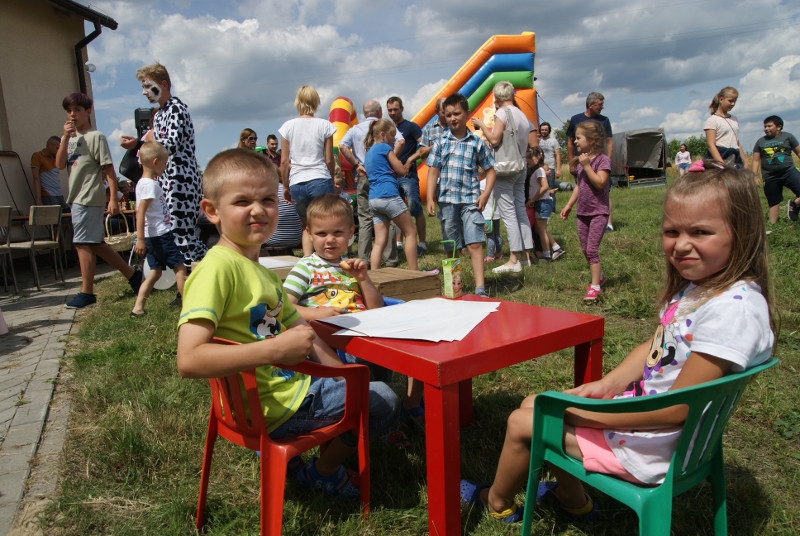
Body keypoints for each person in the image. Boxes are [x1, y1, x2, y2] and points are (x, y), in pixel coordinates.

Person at [459, 161, 775, 524]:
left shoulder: (734, 311)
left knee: (522, 421)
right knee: (539, 402)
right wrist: (607, 384)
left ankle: (497, 501)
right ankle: (573, 498)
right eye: (672, 231)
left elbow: (678, 410)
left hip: (656, 447)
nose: (682, 244)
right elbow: (656, 345)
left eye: (701, 232)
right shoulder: (705, 290)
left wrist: (587, 414)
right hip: (653, 427)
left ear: (743, 232)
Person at [176, 149, 399, 499]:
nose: (257, 209)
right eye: (242, 201)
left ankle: (299, 463)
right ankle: (322, 472)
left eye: (267, 199)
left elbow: (306, 334)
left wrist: (342, 376)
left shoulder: (260, 271)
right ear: (212, 211)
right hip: (274, 407)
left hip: (284, 394)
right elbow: (188, 360)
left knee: (365, 378)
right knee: (383, 398)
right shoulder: (216, 269)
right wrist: (274, 349)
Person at [55, 92, 143, 309]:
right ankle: (133, 276)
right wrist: (65, 137)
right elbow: (58, 165)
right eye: (69, 110)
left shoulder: (96, 137)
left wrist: (113, 198)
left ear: (88, 111)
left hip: (89, 197)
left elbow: (109, 170)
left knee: (82, 243)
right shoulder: (72, 139)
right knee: (95, 243)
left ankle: (87, 293)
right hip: (76, 198)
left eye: (77, 110)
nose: (73, 114)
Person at [121, 62, 207, 274]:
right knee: (177, 233)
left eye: (147, 86)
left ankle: (197, 276)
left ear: (163, 84)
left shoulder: (177, 109)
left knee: (183, 233)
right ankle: (192, 277)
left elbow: (171, 145)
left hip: (182, 180)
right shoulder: (159, 115)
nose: (144, 92)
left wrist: (139, 145)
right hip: (167, 180)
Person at [426, 93, 496, 298]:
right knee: (451, 244)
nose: (453, 118)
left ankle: (480, 289)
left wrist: (485, 194)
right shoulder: (440, 142)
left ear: (466, 113)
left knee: (474, 242)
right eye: (448, 115)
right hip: (447, 201)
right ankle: (452, 285)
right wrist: (430, 197)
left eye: (457, 113)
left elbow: (491, 170)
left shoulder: (476, 143)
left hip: (470, 200)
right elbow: (433, 171)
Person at [472, 81, 535, 274]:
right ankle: (526, 256)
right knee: (520, 210)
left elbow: (495, 139)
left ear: (496, 97)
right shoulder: (521, 114)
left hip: (505, 168)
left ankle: (514, 258)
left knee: (508, 213)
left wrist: (481, 124)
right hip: (520, 166)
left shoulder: (501, 113)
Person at [338, 100, 400, 267]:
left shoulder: (355, 129)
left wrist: (357, 164)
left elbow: (342, 146)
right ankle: (390, 259)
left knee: (365, 219)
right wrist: (391, 160)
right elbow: (400, 141)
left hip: (364, 175)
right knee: (389, 217)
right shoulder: (384, 127)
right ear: (379, 112)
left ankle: (364, 259)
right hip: (382, 177)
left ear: (364, 114)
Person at [279, 85, 337, 256]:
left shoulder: (287, 127)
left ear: (297, 102)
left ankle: (307, 261)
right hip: (320, 177)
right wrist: (332, 180)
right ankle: (327, 260)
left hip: (297, 182)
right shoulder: (325, 125)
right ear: (316, 102)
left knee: (307, 226)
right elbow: (329, 159)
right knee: (326, 225)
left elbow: (284, 161)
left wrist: (285, 186)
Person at [130, 141, 186, 317]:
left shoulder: (142, 183)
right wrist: (139, 238)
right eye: (164, 163)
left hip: (151, 236)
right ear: (155, 162)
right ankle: (188, 306)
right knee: (180, 268)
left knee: (155, 272)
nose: (165, 167)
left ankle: (137, 308)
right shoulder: (149, 185)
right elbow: (140, 212)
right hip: (159, 235)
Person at [560, 121, 611, 301]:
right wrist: (568, 205)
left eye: (579, 138)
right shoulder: (582, 161)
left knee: (592, 250)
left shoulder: (602, 160)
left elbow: (599, 182)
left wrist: (588, 165)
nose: (575, 141)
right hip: (582, 213)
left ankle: (595, 286)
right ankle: (600, 276)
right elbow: (579, 186)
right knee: (584, 249)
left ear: (592, 140)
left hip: (598, 212)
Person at [364, 118, 419, 271]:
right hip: (389, 195)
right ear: (382, 134)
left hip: (374, 199)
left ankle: (374, 276)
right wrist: (404, 163)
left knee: (380, 241)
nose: (394, 139)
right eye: (392, 135)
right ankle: (415, 273)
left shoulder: (369, 153)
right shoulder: (383, 147)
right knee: (410, 232)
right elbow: (401, 171)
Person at [566, 92, 614, 230]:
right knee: (582, 187)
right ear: (590, 104)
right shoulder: (576, 119)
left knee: (604, 191)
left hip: (599, 162)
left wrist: (607, 161)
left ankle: (608, 223)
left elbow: (609, 142)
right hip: (581, 161)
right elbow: (570, 142)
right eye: (600, 104)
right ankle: (588, 218)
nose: (602, 107)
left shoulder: (604, 120)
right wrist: (571, 162)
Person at [387, 96, 427, 256]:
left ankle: (422, 244)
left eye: (395, 109)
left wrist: (411, 159)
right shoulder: (388, 129)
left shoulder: (410, 127)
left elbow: (425, 146)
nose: (393, 113)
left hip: (408, 175)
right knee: (396, 210)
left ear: (402, 109)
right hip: (392, 176)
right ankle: (398, 243)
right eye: (389, 110)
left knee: (415, 208)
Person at [750, 115, 800, 224]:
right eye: (765, 126)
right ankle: (773, 225)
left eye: (769, 126)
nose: (766, 129)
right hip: (770, 176)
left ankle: (795, 204)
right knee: (773, 202)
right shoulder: (760, 142)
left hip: (789, 172)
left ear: (778, 127)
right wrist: (754, 176)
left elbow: (798, 152)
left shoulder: (788, 137)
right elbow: (755, 160)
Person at [525, 146, 564, 262]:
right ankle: (556, 248)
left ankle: (547, 255)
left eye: (529, 158)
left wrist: (532, 199)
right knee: (540, 229)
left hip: (542, 203)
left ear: (538, 157)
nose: (527, 161)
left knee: (541, 230)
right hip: (540, 202)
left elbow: (545, 186)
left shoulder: (539, 171)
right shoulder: (536, 171)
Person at [704, 86, 747, 169]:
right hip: (720, 155)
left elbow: (736, 141)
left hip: (735, 155)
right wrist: (722, 165)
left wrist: (745, 161)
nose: (733, 104)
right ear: (721, 99)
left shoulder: (734, 119)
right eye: (730, 101)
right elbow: (710, 145)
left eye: (735, 101)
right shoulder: (712, 120)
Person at [30, 135, 69, 211]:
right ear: (49, 145)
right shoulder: (38, 156)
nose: (58, 151)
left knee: (65, 219)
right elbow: (36, 178)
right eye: (57, 148)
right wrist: (38, 201)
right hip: (48, 195)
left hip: (59, 194)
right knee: (53, 220)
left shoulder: (56, 158)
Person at [480, 171, 502, 263]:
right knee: (497, 234)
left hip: (487, 213)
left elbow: (482, 197)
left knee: (489, 235)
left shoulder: (482, 183)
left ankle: (490, 255)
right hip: (496, 213)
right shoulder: (496, 182)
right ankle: (499, 253)